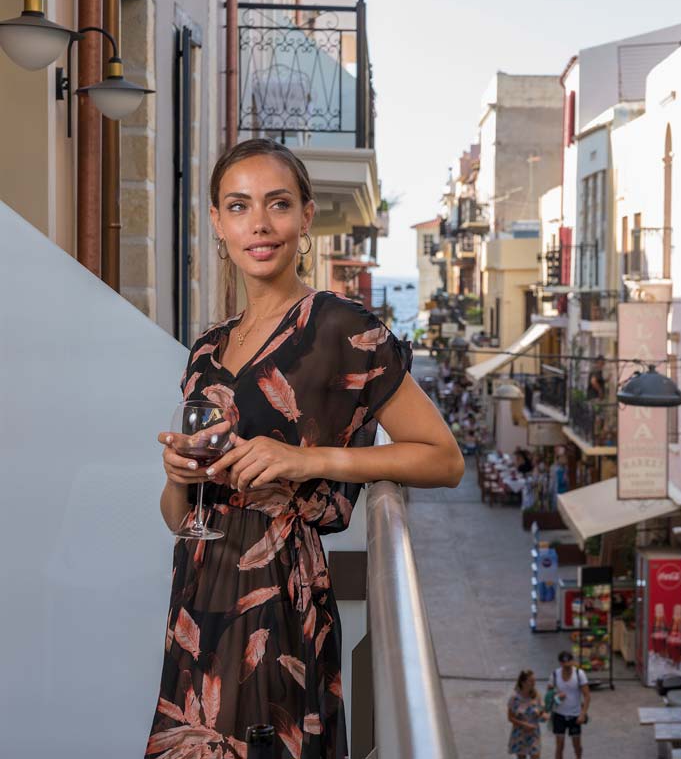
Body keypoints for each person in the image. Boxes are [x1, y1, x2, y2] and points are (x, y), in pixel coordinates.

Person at [148, 138, 465, 759]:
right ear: (217, 222)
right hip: (195, 601)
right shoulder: (207, 349)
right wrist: (177, 475)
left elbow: (442, 458)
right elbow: (179, 521)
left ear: (306, 216)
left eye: (278, 204)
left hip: (278, 602)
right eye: (239, 207)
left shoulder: (343, 328)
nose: (259, 224)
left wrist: (309, 460)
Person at [547, 651, 590, 759]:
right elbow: (548, 696)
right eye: (565, 666)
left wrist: (582, 714)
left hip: (575, 715)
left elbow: (587, 696)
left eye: (570, 665)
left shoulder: (579, 674)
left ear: (573, 662)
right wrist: (557, 696)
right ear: (560, 664)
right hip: (559, 715)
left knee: (577, 746)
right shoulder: (555, 675)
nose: (568, 668)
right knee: (559, 746)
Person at [507, 669, 547, 758]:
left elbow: (542, 711)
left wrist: (543, 715)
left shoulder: (536, 695)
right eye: (531, 681)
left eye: (534, 680)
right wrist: (524, 724)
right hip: (520, 734)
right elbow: (510, 717)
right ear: (523, 682)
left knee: (536, 756)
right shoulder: (514, 698)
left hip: (534, 733)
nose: (534, 683)